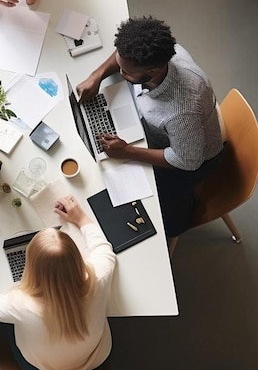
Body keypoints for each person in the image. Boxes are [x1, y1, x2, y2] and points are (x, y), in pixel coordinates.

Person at [77, 16, 224, 239]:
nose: (121, 72)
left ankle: (178, 219)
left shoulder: (181, 111)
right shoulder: (162, 52)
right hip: (170, 133)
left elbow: (187, 161)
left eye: (126, 73)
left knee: (150, 210)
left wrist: (128, 152)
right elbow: (122, 59)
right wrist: (96, 76)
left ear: (153, 71)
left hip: (191, 158)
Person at [0, 195, 116, 370]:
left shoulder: (19, 304)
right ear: (77, 259)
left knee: (9, 326)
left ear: (31, 266)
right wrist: (81, 218)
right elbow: (103, 249)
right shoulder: (100, 275)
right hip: (96, 359)